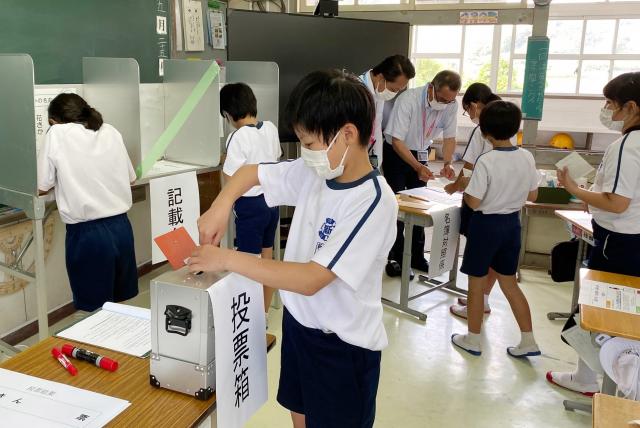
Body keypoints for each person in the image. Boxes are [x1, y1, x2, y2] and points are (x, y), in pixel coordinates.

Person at [191, 70, 398, 428]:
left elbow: (311, 279)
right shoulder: (317, 172)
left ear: (348, 134)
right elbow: (251, 173)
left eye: (311, 144)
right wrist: (221, 205)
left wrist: (226, 257)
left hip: (342, 349)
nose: (307, 153)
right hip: (299, 328)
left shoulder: (373, 201)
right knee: (299, 415)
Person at [548, 72, 640, 396]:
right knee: (622, 315)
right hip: (631, 238)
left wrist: (575, 190)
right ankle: (601, 379)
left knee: (600, 313)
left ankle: (605, 384)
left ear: (631, 107)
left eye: (611, 105)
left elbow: (617, 203)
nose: (608, 113)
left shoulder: (628, 144)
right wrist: (592, 194)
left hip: (619, 242)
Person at [450, 101, 541, 358]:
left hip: (485, 226)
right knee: (510, 284)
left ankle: (473, 338)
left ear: (484, 131)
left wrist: (466, 191)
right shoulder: (526, 156)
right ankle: (528, 340)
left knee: (476, 285)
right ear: (515, 128)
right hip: (512, 224)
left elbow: (475, 201)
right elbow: (533, 193)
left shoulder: (486, 160)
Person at [37, 93, 138, 312]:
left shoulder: (57, 133)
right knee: (120, 306)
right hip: (121, 229)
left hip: (88, 235)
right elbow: (131, 178)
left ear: (53, 120)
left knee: (93, 311)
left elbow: (41, 186)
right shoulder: (110, 130)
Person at [445, 83, 516, 319]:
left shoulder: (483, 129)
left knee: (478, 259)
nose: (470, 116)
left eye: (467, 111)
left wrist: (453, 187)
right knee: (497, 259)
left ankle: (476, 305)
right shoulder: (506, 123)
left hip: (482, 204)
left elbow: (468, 169)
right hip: (507, 206)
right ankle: (482, 298)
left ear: (474, 105)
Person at [383, 70, 461, 275]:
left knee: (421, 204)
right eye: (442, 98)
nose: (444, 103)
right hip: (396, 153)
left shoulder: (451, 104)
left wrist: (448, 163)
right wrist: (417, 166)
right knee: (397, 205)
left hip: (421, 152)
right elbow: (398, 141)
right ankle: (395, 258)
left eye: (449, 100)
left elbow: (450, 138)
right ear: (431, 87)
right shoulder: (408, 99)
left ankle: (417, 256)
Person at [220, 82, 282, 325]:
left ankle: (248, 320)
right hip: (271, 202)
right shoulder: (270, 128)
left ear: (227, 114)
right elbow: (274, 159)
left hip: (250, 207)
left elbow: (231, 179)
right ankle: (263, 315)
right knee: (267, 260)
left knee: (248, 265)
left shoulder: (237, 136)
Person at [359, 55, 415, 169]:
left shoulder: (378, 92)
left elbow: (377, 129)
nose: (395, 93)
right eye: (394, 89)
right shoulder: (355, 91)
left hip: (367, 156)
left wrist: (377, 164)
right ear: (381, 77)